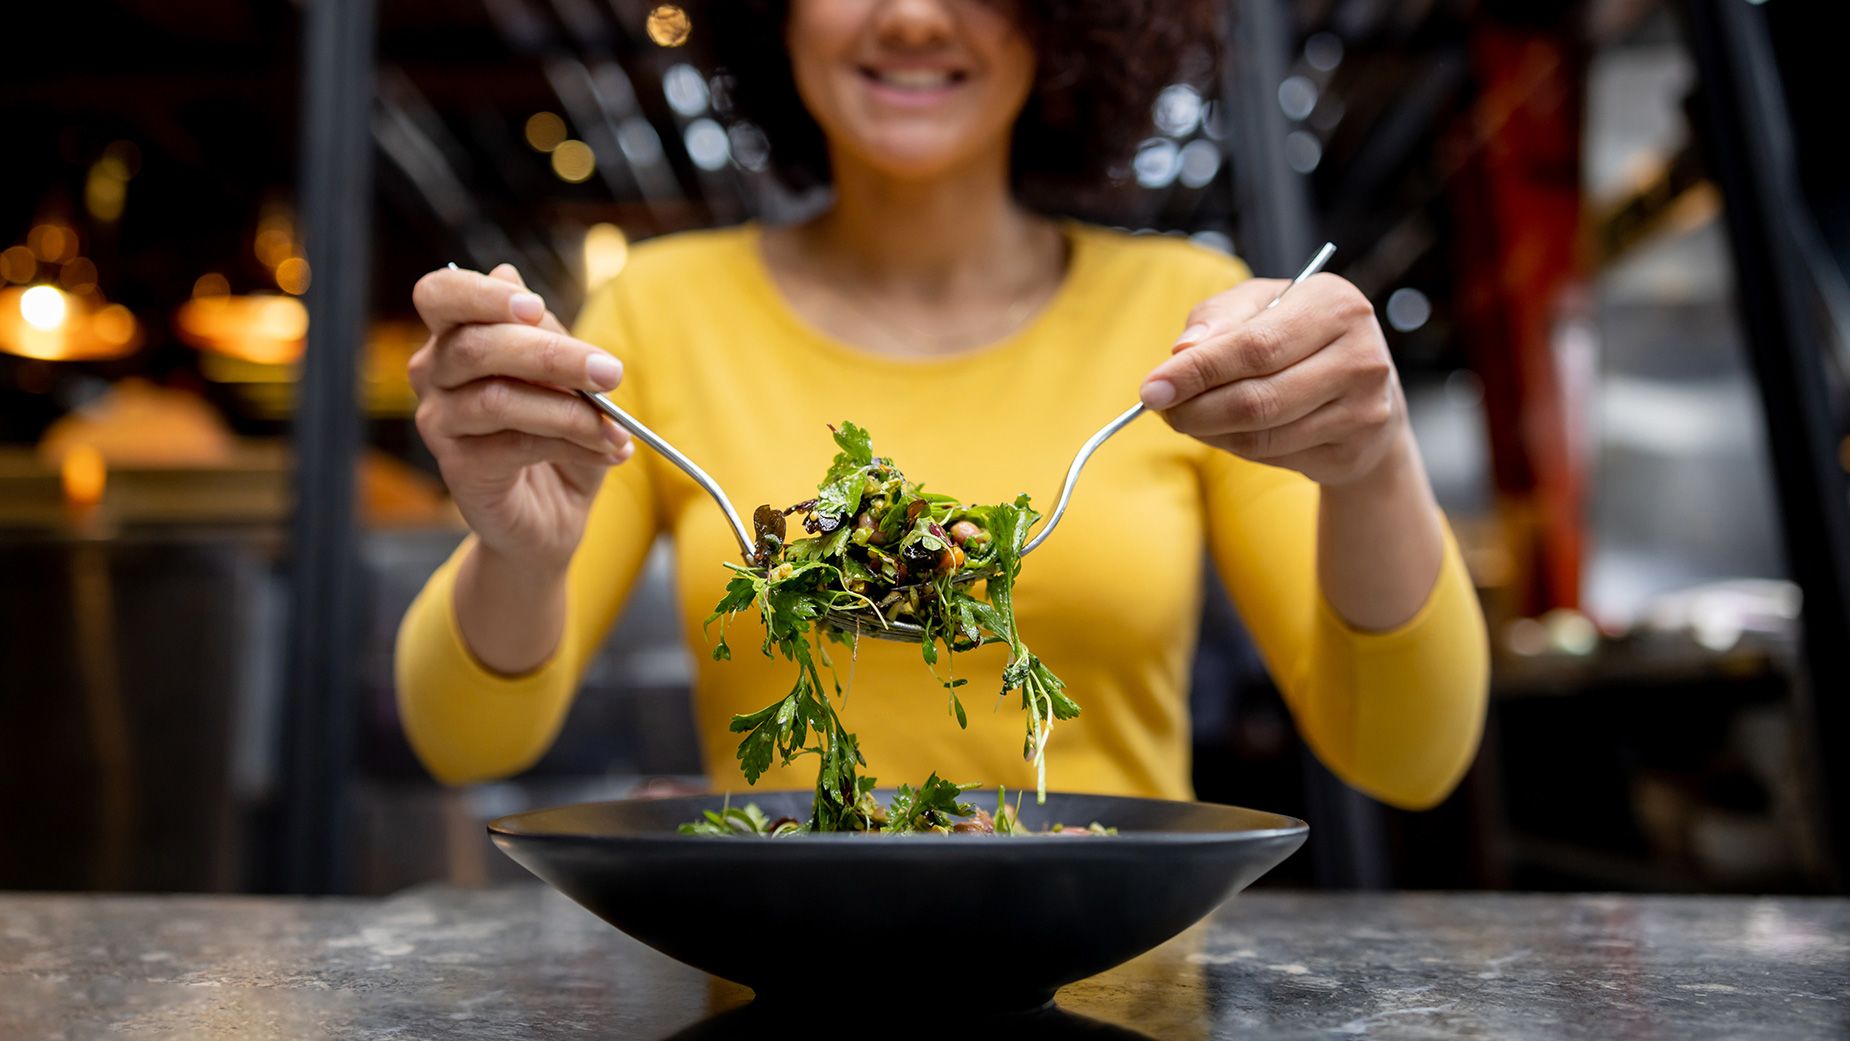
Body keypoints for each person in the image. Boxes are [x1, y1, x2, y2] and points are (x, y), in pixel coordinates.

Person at [395, 0, 1488, 810]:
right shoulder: (666, 310)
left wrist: (1372, 459)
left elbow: (1407, 757)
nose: (913, 15)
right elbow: (462, 741)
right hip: (780, 997)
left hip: (1114, 987)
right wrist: (522, 553)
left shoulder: (1186, 319)